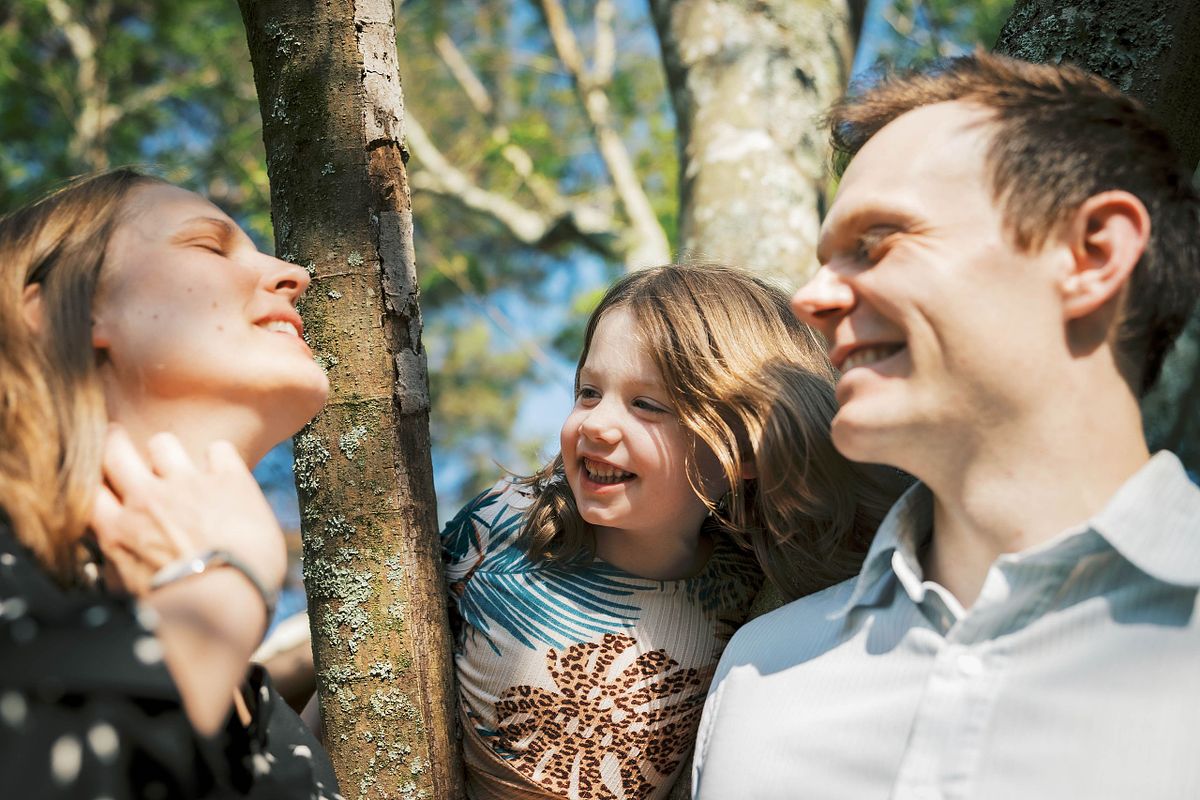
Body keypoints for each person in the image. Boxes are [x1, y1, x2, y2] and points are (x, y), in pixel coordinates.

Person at [692, 53, 1200, 799]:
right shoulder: (759, 673)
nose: (812, 298)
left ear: (1092, 256)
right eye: (825, 259)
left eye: (878, 242)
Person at [441, 263, 904, 799]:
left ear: (747, 448)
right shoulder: (508, 522)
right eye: (589, 392)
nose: (595, 423)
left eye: (648, 405)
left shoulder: (754, 592)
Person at [0, 168, 341, 798]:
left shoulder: (265, 713)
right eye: (208, 246)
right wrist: (215, 597)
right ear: (59, 312)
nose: (296, 274)